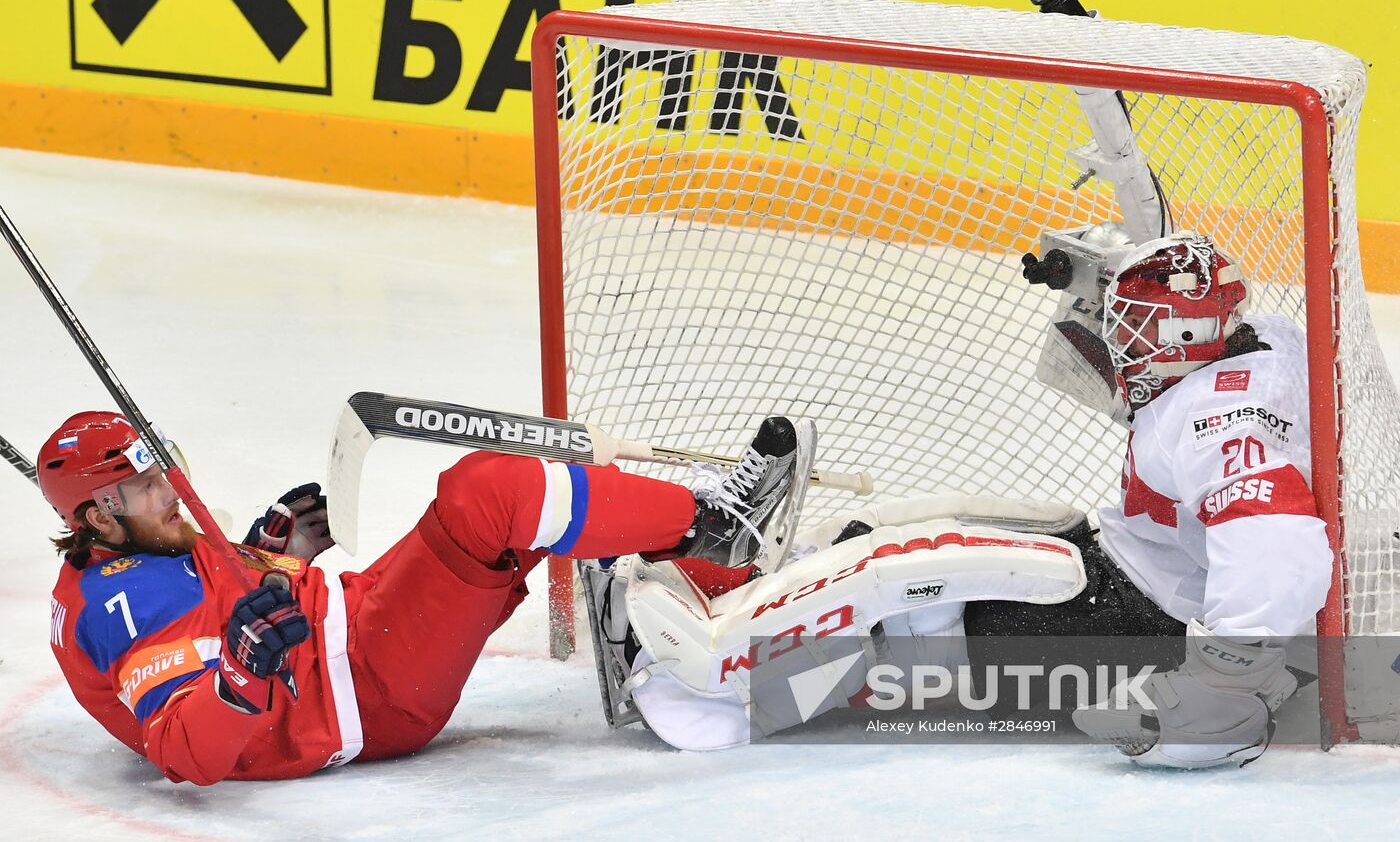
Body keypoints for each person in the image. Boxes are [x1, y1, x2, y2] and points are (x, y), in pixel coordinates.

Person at [594, 231, 1332, 769]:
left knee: (907, 588)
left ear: (1191, 335)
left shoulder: (1221, 425)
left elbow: (1282, 546)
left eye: (1141, 334)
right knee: (886, 528)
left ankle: (708, 692)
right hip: (1126, 562)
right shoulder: (1258, 340)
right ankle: (734, 583)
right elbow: (1179, 277)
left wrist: (1232, 676)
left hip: (1142, 626)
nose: (1124, 350)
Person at [41, 410, 801, 784]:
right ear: (98, 516)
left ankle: (724, 579)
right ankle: (720, 531)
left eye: (162, 473)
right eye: (146, 488)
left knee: (522, 496)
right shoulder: (120, 605)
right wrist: (240, 679)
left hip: (354, 629)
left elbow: (224, 606)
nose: (172, 494)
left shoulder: (138, 546)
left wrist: (279, 559)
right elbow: (182, 752)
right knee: (489, 495)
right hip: (364, 689)